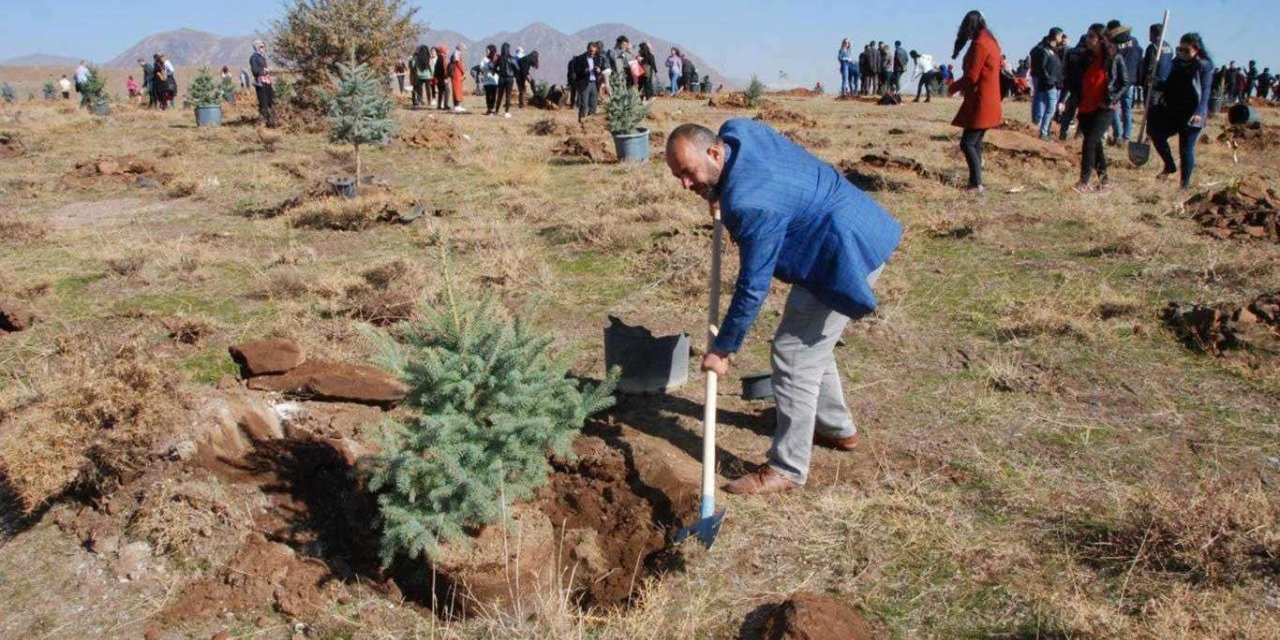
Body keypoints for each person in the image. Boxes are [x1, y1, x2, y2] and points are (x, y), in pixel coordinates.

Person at [662, 120, 902, 495]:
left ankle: (787, 468)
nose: (685, 184)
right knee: (810, 341)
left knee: (792, 352)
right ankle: (836, 428)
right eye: (679, 176)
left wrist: (723, 348)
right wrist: (719, 189)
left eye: (689, 173)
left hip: (844, 252)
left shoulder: (750, 204)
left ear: (714, 152)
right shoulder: (737, 132)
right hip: (850, 222)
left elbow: (753, 286)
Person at [1060, 24, 1129, 193]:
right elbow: (1074, 78)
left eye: (1091, 36)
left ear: (1101, 39)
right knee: (1096, 145)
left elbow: (1125, 83)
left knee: (1089, 143)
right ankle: (1105, 181)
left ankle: (1083, 182)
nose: (1087, 38)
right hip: (1085, 108)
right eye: (1087, 35)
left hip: (1104, 108)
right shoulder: (1085, 58)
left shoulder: (1114, 58)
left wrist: (1112, 99)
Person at [1148, 33, 1213, 192]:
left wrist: (1199, 112)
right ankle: (1169, 165)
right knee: (1155, 133)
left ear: (1196, 50)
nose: (1182, 53)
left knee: (1185, 149)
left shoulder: (1203, 66)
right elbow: (1170, 86)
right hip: (1173, 110)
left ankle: (1184, 185)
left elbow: (1205, 92)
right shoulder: (1177, 63)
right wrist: (1156, 83)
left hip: (1192, 114)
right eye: (1180, 49)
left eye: (1186, 50)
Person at [948, 10, 1003, 195]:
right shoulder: (991, 41)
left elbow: (972, 76)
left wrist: (952, 87)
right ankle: (975, 182)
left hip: (981, 101)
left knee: (967, 143)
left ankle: (976, 185)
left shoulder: (980, 44)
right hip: (989, 98)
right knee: (976, 143)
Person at [1106, 22, 1142, 144]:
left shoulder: (1115, 43)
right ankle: (1126, 136)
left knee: (1114, 108)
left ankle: (1118, 135)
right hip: (1130, 80)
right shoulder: (1135, 43)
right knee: (1127, 109)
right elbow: (1139, 61)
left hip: (1117, 80)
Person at [1030, 27, 1067, 139]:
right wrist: (1049, 80)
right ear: (1056, 36)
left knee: (1047, 106)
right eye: (1060, 36)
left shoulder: (1053, 50)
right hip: (1049, 84)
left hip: (1053, 83)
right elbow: (1042, 67)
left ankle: (1042, 130)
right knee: (1050, 108)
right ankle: (1043, 131)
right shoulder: (1045, 50)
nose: (1061, 38)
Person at [1140, 22, 1174, 106]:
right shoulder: (1168, 47)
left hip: (1154, 84)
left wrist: (1145, 81)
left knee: (1151, 108)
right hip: (1166, 83)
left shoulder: (1153, 47)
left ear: (1153, 33)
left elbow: (1149, 66)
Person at [571, 41, 602, 122]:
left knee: (593, 106)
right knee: (584, 105)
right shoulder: (580, 58)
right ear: (587, 49)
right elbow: (576, 71)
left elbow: (599, 71)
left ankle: (590, 123)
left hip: (594, 84)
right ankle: (581, 122)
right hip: (584, 84)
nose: (592, 53)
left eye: (594, 51)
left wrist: (599, 71)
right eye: (591, 51)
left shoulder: (597, 58)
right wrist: (585, 71)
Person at [249, 41, 275, 127]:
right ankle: (263, 124)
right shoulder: (253, 58)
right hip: (260, 83)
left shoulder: (262, 57)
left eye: (263, 46)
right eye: (261, 46)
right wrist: (264, 70)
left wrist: (268, 70)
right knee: (263, 103)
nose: (263, 48)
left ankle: (270, 122)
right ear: (257, 47)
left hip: (267, 82)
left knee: (270, 101)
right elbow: (255, 71)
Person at [495, 43, 518, 117]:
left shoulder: (499, 58)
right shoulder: (512, 58)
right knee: (508, 95)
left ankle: (496, 111)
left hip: (501, 78)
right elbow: (517, 68)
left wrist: (499, 73)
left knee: (500, 95)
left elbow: (495, 68)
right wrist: (513, 73)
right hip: (509, 78)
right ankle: (506, 112)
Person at [448, 44, 467, 112]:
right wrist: (463, 72)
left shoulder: (455, 53)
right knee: (457, 89)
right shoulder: (457, 53)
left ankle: (456, 105)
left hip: (455, 73)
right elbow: (459, 64)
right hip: (457, 73)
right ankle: (457, 106)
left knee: (456, 89)